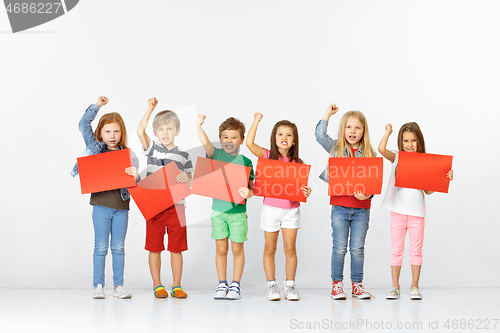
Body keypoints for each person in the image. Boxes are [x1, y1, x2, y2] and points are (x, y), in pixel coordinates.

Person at [71, 96, 139, 299]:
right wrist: (97, 106)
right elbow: (83, 124)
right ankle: (98, 285)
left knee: (118, 247)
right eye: (108, 131)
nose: (112, 135)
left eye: (116, 131)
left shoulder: (128, 154)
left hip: (121, 207)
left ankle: (119, 286)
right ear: (100, 133)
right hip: (101, 206)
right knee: (100, 247)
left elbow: (136, 182)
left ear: (122, 133)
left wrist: (136, 175)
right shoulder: (96, 148)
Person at [378, 122, 453, 300]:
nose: (410, 144)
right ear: (401, 142)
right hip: (397, 212)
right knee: (396, 250)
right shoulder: (397, 157)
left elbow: (428, 190)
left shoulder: (425, 162)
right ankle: (395, 286)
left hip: (417, 213)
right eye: (406, 141)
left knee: (416, 251)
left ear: (419, 142)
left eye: (413, 140)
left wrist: (445, 177)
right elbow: (381, 149)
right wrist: (388, 132)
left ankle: (414, 286)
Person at [246, 112, 312, 301]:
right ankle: (272, 285)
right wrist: (256, 121)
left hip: (291, 211)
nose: (284, 138)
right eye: (280, 134)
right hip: (271, 210)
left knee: (290, 249)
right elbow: (250, 144)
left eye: (289, 135)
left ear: (294, 141)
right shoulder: (268, 156)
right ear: (274, 138)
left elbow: (302, 188)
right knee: (270, 248)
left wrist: (307, 191)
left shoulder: (298, 163)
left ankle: (290, 286)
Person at [315, 103, 376, 300]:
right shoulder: (335, 147)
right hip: (340, 207)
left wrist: (368, 195)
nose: (353, 131)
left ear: (363, 131)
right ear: (343, 130)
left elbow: (373, 183)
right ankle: (337, 285)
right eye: (349, 127)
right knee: (339, 247)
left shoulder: (368, 154)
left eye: (357, 127)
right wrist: (328, 114)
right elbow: (319, 135)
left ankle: (357, 285)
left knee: (357, 248)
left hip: (361, 209)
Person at [137, 97, 193, 298]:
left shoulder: (184, 155)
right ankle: (157, 284)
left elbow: (191, 180)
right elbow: (139, 131)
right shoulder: (152, 149)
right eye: (161, 129)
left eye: (169, 129)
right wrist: (150, 108)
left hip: (177, 206)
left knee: (176, 248)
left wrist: (186, 176)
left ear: (177, 131)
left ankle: (176, 285)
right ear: (155, 133)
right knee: (155, 246)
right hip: (155, 205)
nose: (165, 133)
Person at [196, 115, 254, 300]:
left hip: (238, 213)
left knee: (237, 250)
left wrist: (249, 193)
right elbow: (204, 141)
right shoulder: (217, 155)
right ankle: (222, 283)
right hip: (218, 213)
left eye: (234, 137)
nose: (230, 141)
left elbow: (252, 187)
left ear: (242, 140)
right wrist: (199, 125)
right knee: (221, 249)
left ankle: (235, 285)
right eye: (226, 137)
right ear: (220, 139)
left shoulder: (246, 162)